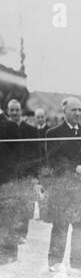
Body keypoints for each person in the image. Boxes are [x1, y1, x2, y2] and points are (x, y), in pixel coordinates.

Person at [44, 97, 81, 272]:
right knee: (60, 226)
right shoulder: (53, 133)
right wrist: (76, 168)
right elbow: (54, 161)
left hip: (80, 189)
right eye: (74, 110)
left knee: (80, 226)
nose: (78, 113)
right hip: (62, 189)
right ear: (64, 112)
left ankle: (77, 261)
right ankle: (54, 263)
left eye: (80, 110)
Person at [7, 99, 39, 243]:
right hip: (9, 175)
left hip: (26, 173)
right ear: (8, 111)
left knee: (26, 204)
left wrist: (34, 175)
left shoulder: (31, 130)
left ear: (21, 111)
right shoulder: (3, 129)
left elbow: (37, 155)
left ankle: (21, 234)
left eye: (16, 110)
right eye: (11, 110)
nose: (14, 113)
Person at [0, 107, 20, 264]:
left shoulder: (10, 125)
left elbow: (17, 155)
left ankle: (9, 252)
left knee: (8, 217)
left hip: (6, 179)